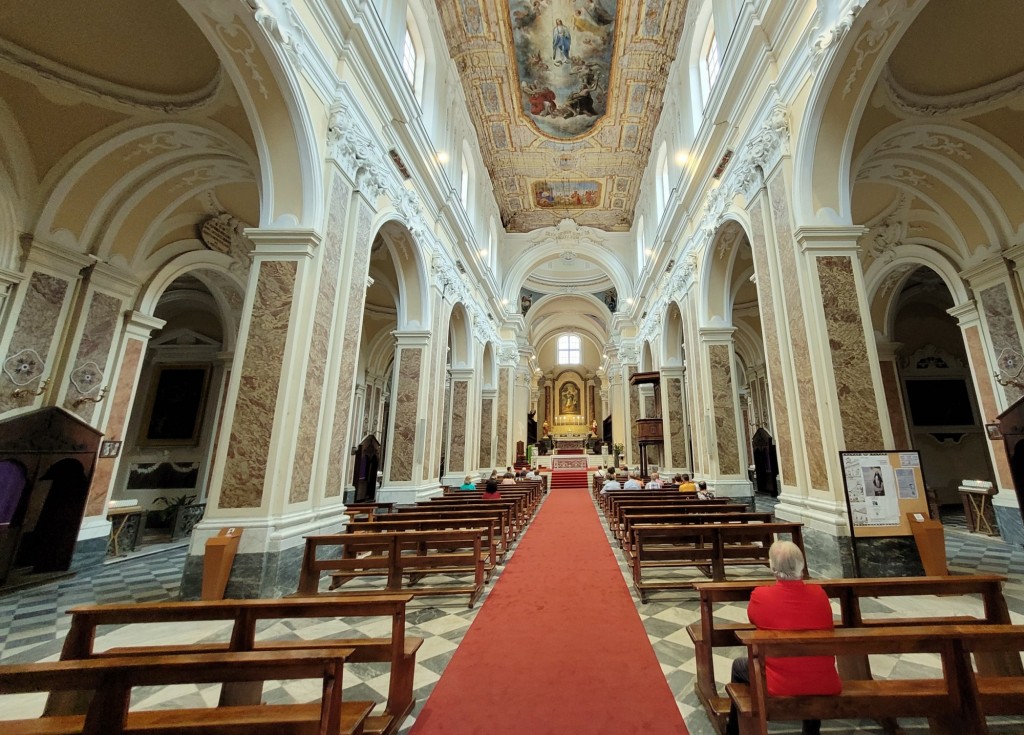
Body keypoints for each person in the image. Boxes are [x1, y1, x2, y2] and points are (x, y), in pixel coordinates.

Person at [725, 541, 840, 735]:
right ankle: (811, 731)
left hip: (777, 683)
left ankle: (734, 730)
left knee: (739, 666)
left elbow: (753, 617)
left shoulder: (762, 595)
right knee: (809, 660)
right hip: (824, 680)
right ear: (801, 564)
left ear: (772, 566)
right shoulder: (820, 594)